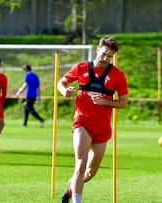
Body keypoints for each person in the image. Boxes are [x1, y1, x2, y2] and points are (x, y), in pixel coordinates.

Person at [58, 36, 128, 203]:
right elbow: (61, 82)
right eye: (104, 54)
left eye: (110, 56)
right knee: (80, 164)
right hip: (82, 122)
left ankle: (71, 187)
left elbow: (123, 103)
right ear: (97, 50)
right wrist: (64, 91)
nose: (105, 58)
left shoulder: (117, 75)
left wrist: (105, 101)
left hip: (102, 128)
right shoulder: (81, 68)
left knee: (90, 172)